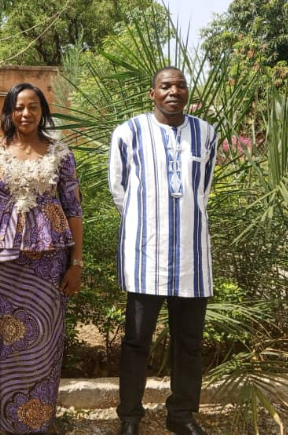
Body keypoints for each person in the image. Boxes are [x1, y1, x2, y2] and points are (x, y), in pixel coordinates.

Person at [108, 67, 217, 435]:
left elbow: (202, 190)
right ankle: (130, 416)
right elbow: (120, 189)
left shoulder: (205, 133)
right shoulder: (129, 132)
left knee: (189, 343)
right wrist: (147, 220)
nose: (174, 91)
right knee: (136, 341)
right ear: (152, 93)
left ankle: (182, 415)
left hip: (191, 255)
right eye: (166, 86)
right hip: (146, 256)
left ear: (187, 92)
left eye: (180, 86)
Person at [0, 82, 83, 434]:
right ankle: (4, 421)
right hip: (3, 264)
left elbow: (74, 208)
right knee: (8, 339)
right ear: (9, 111)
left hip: (50, 263)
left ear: (42, 111)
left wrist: (76, 263)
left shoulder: (61, 153)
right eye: (19, 107)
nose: (26, 113)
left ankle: (39, 423)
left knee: (46, 339)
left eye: (33, 106)